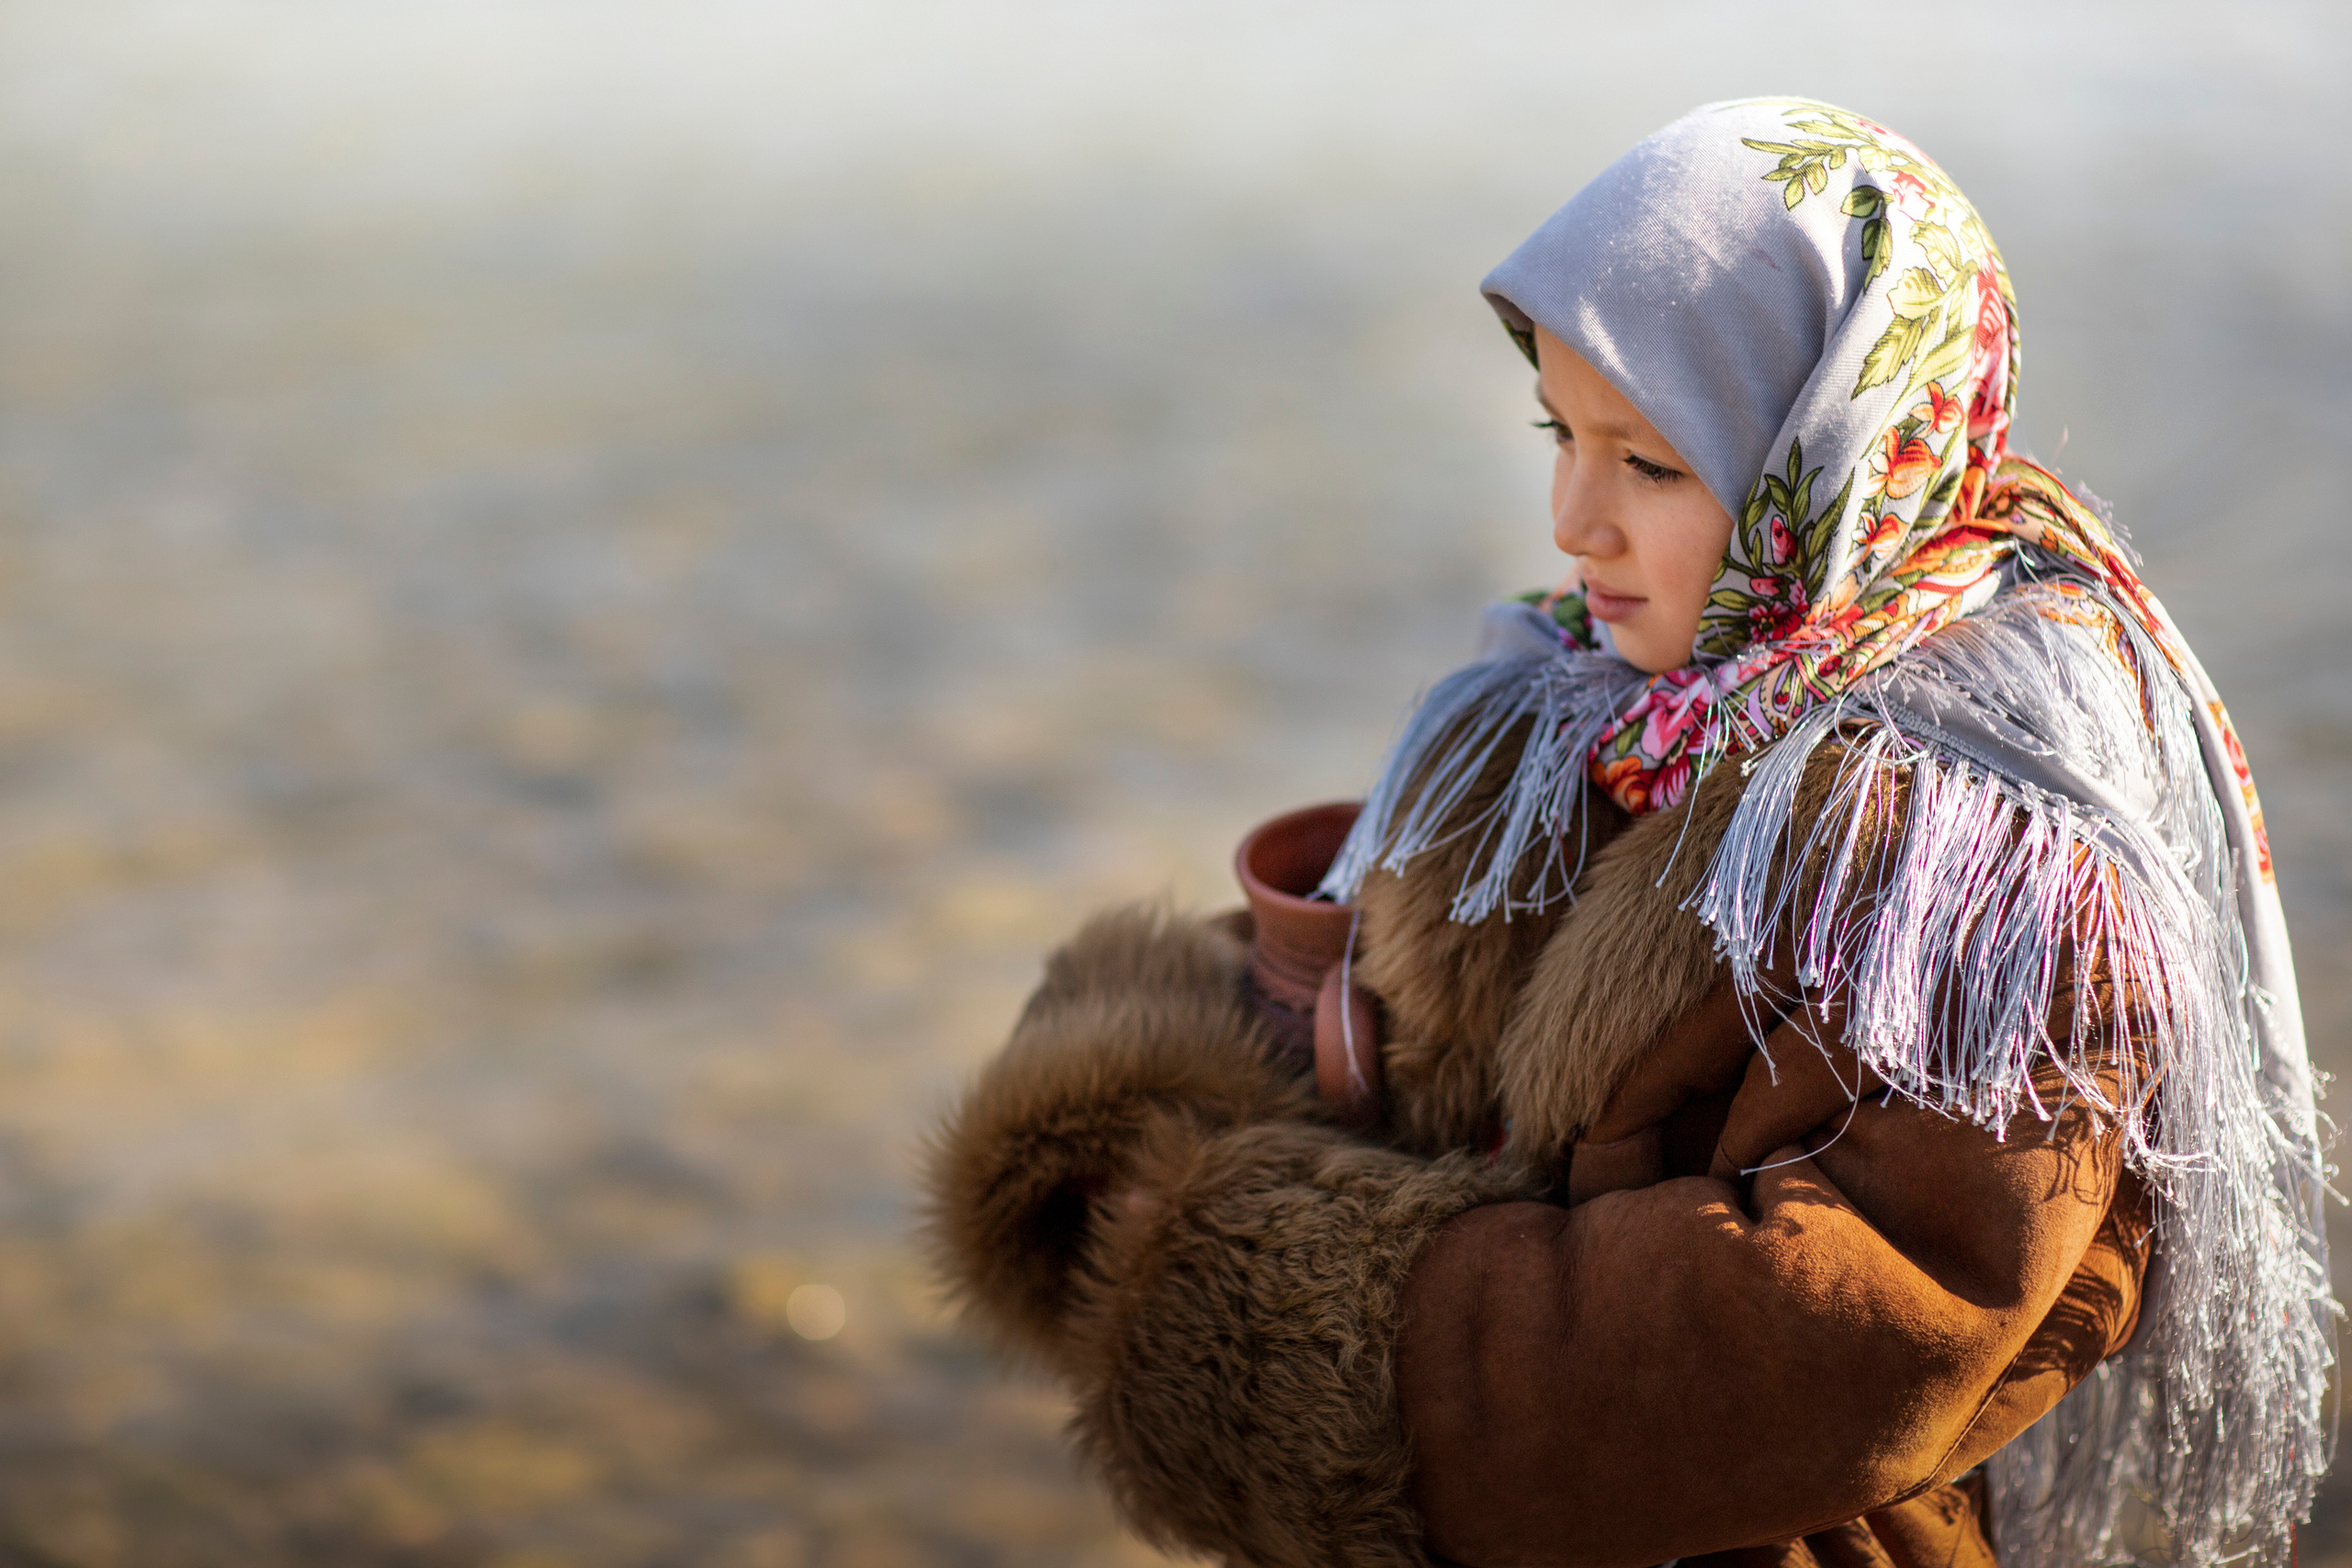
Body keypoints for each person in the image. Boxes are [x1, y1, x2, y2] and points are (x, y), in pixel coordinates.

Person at [924, 99, 2334, 1568]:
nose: (1570, 521)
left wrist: (1276, 1303)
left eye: (1649, 465)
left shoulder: (1985, 871)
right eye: (1559, 432)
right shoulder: (1613, 703)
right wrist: (1136, 1080)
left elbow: (1847, 1331)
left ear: (1829, 456)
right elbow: (1437, 1014)